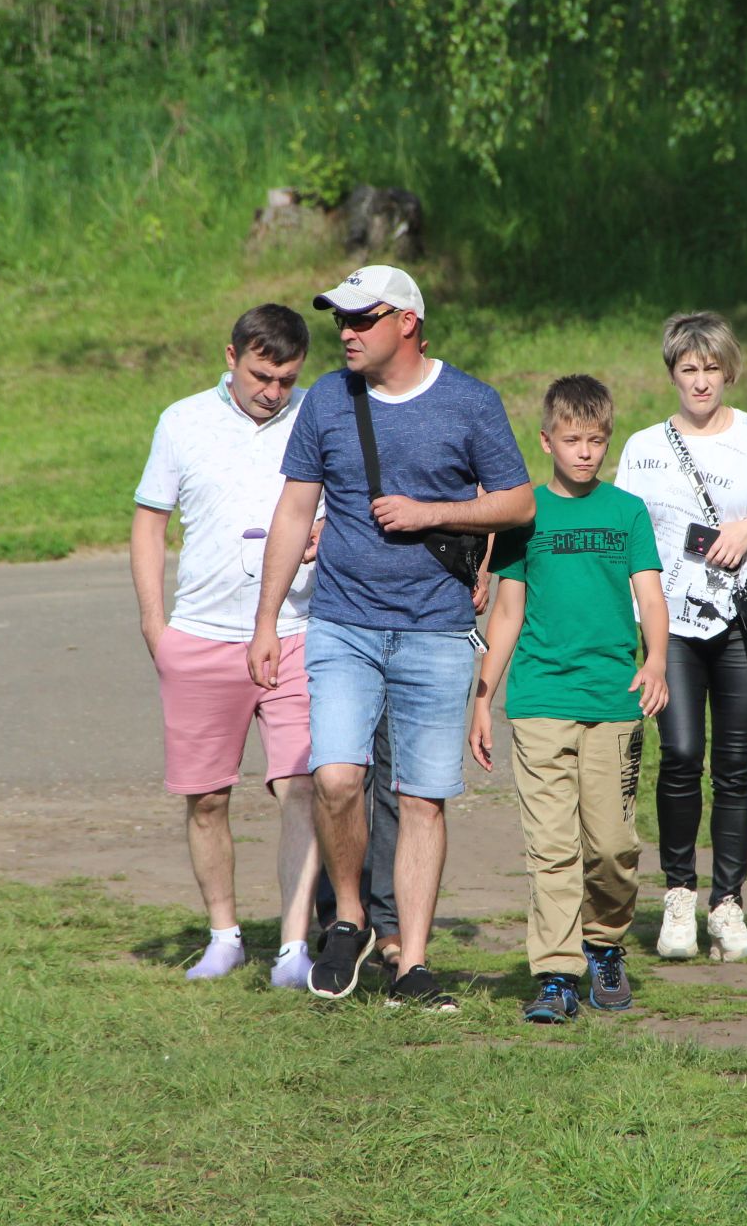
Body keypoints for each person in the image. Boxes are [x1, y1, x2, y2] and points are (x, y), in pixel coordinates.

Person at [250, 264, 535, 1009]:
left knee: (422, 799)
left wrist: (433, 514)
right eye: (339, 320)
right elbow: (292, 513)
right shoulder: (325, 406)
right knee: (338, 778)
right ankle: (350, 918)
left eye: (360, 319)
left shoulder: (470, 402)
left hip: (436, 632)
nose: (344, 333)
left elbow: (517, 501)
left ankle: (414, 964)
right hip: (342, 623)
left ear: (405, 321)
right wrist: (265, 621)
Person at [130, 303, 323, 989]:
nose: (273, 391)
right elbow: (149, 523)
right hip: (203, 636)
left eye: (287, 378)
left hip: (299, 630)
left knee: (301, 788)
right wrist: (157, 626)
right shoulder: (182, 421)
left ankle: (295, 948)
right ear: (232, 356)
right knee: (206, 798)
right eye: (261, 374)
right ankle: (224, 935)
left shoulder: (317, 415)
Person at [468, 375, 670, 1023]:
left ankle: (604, 944)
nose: (585, 452)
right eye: (573, 440)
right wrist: (483, 697)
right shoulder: (525, 512)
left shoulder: (625, 511)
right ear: (547, 440)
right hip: (539, 700)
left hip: (614, 699)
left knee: (610, 846)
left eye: (596, 441)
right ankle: (557, 973)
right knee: (551, 846)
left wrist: (658, 660)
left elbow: (651, 596)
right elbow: (506, 613)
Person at [616, 313, 747, 962]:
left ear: (729, 370)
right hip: (668, 623)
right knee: (678, 755)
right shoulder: (644, 446)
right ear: (672, 373)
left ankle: (728, 906)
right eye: (687, 369)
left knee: (734, 767)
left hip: (742, 621)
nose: (700, 381)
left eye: (710, 368)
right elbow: (625, 530)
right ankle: (678, 896)